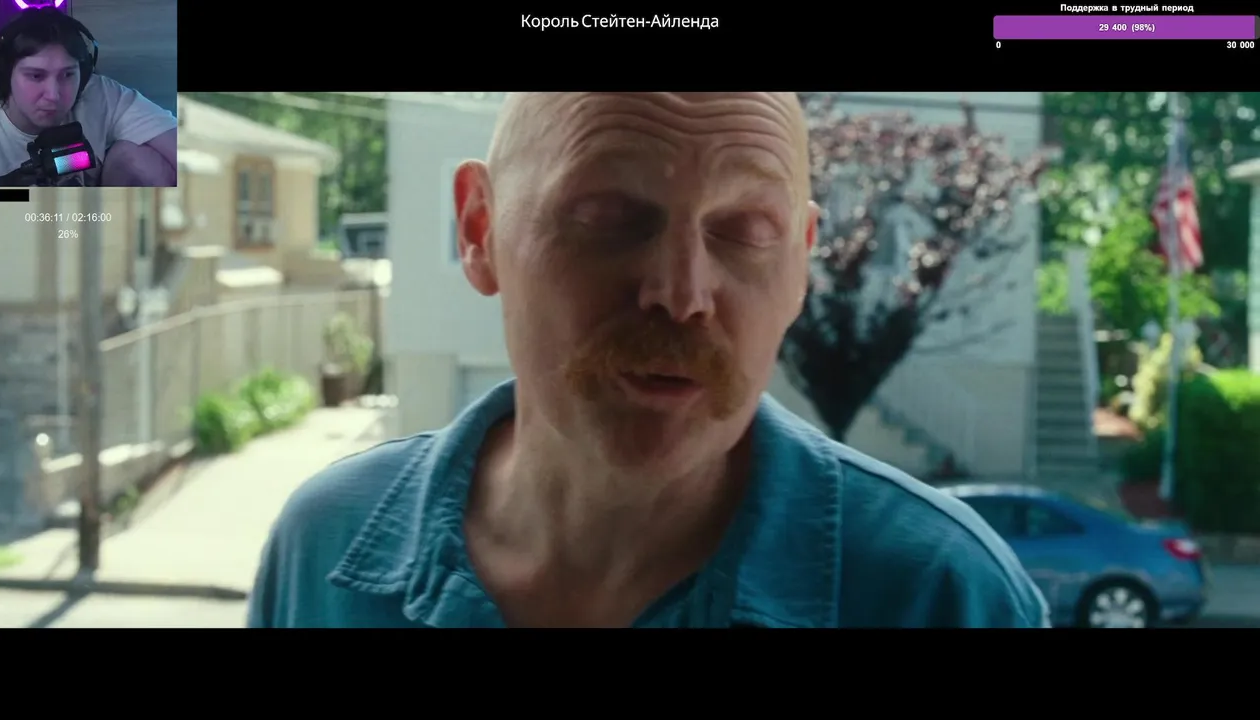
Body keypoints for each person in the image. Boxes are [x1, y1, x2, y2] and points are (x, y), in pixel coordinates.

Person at [247, 92, 1051, 628]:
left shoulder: (944, 596)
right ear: (480, 228)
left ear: (801, 264)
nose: (681, 293)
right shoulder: (323, 549)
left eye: (746, 232)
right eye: (607, 218)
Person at [0, 8, 176, 187]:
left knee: (141, 159)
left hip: (95, 211)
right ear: (5, 74)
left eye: (67, 75)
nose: (53, 95)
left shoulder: (98, 93)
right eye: (36, 76)